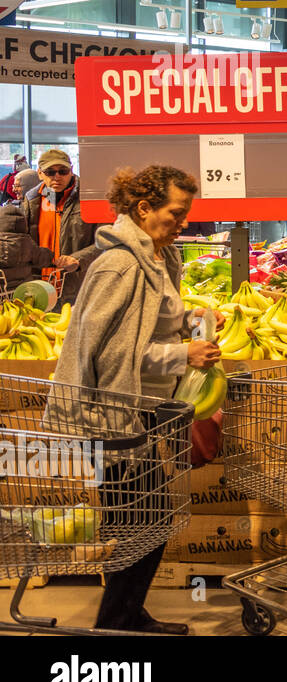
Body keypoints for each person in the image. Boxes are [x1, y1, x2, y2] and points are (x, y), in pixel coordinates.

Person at [47, 165, 217, 634]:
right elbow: (106, 353)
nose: (182, 221)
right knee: (145, 523)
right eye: (175, 212)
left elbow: (147, 324)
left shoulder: (157, 259)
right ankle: (117, 622)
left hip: (136, 419)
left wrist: (189, 319)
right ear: (143, 208)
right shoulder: (119, 266)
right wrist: (184, 353)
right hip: (110, 420)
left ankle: (126, 615)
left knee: (140, 524)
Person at [25, 149, 99, 305]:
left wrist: (79, 259)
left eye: (63, 171)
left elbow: (106, 240)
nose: (57, 176)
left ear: (71, 171)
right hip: (40, 288)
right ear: (40, 173)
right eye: (50, 172)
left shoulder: (89, 197)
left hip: (79, 287)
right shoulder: (32, 201)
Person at [0, 204, 54, 290]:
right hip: (24, 291)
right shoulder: (29, 244)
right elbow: (43, 258)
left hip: (3, 292)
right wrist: (50, 254)